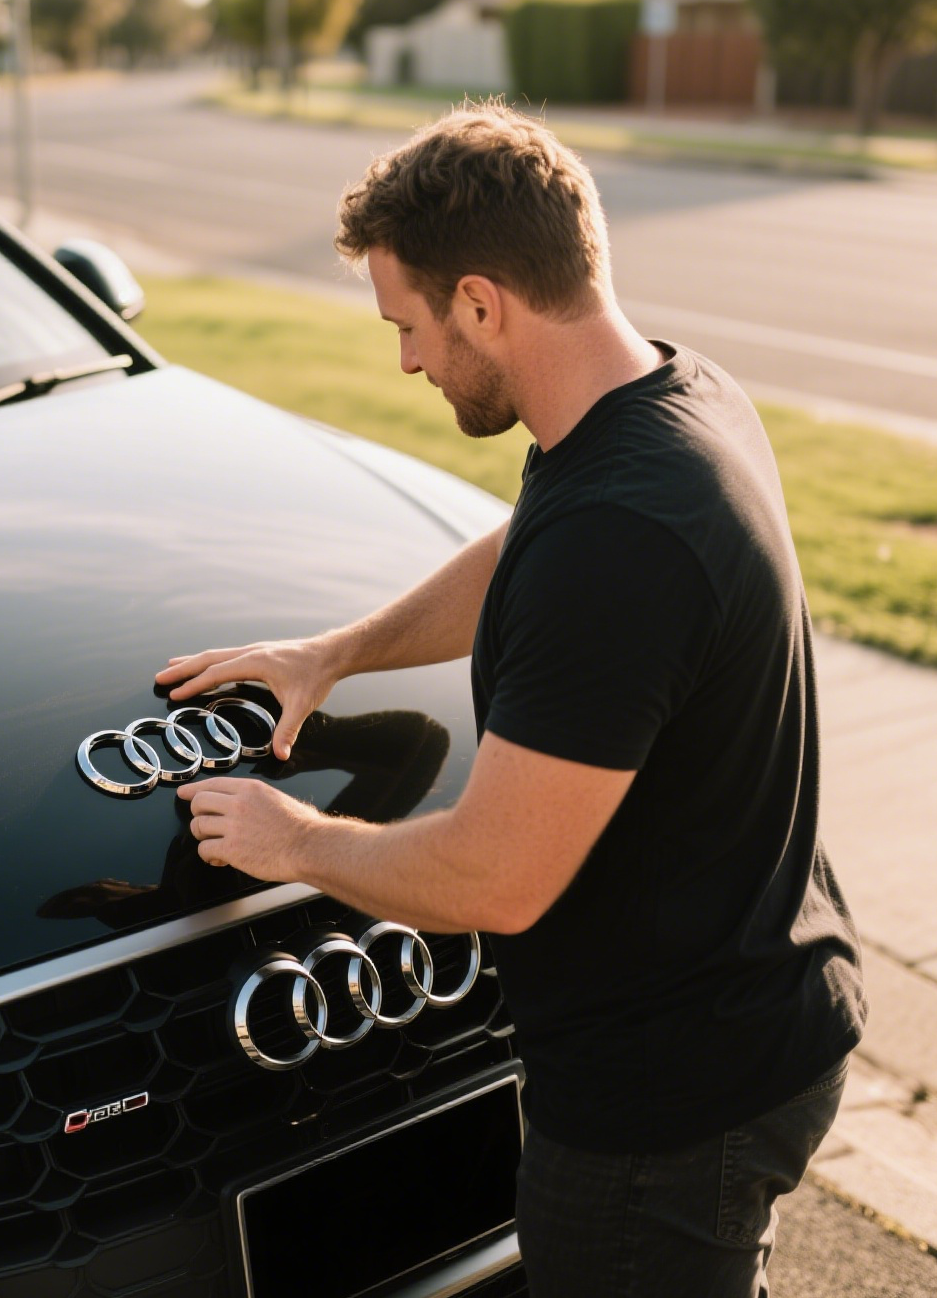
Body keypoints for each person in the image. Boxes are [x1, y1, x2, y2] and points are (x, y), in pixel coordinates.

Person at [156, 103, 866, 1297]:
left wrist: (294, 841)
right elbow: (528, 542)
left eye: (411, 325)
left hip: (667, 1113)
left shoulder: (621, 537)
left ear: (481, 301)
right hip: (761, 1003)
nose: (407, 361)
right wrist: (336, 651)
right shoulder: (661, 403)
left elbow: (492, 877)